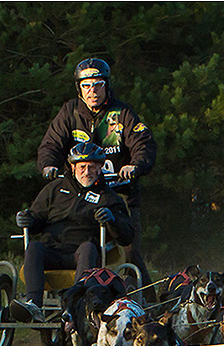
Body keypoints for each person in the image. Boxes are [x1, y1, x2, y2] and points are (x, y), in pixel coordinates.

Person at [37, 57, 158, 302]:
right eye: (87, 86)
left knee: (131, 253)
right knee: (64, 242)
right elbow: (51, 143)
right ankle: (69, 301)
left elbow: (142, 143)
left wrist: (135, 165)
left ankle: (149, 307)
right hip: (79, 193)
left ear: (107, 86)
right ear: (79, 88)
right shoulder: (69, 112)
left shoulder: (122, 113)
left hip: (118, 194)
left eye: (98, 85)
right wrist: (48, 165)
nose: (93, 91)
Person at [11, 142, 132, 323]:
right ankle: (33, 305)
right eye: (82, 167)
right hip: (53, 250)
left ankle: (77, 304)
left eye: (92, 167)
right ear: (73, 167)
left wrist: (112, 220)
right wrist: (28, 220)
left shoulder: (109, 197)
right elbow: (36, 219)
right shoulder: (54, 189)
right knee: (34, 247)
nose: (86, 171)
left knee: (88, 248)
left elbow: (127, 236)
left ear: (101, 168)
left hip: (83, 253)